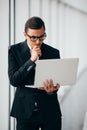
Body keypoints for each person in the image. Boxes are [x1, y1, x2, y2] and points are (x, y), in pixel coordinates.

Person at [8, 16, 62, 130]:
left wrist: (52, 90)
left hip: (50, 110)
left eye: (42, 37)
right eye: (33, 38)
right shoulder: (14, 50)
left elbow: (56, 80)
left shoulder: (53, 52)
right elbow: (14, 80)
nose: (38, 42)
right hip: (25, 110)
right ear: (25, 34)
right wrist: (31, 60)